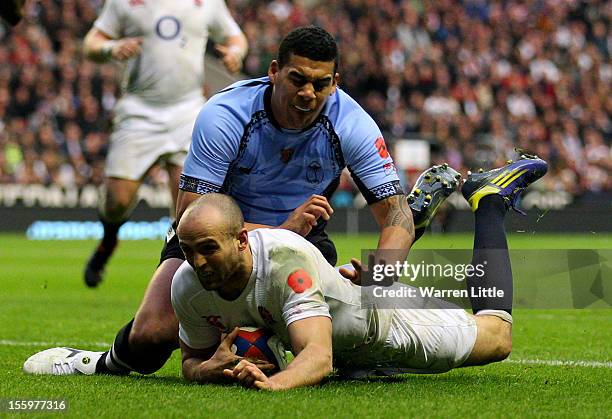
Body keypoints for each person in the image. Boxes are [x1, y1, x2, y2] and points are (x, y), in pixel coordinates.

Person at [22, 26, 459, 377]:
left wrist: (382, 274)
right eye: (298, 79)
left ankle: (332, 354)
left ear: (335, 82)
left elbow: (396, 213)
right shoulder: (226, 115)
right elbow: (189, 214)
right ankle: (93, 363)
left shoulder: (352, 123)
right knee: (153, 335)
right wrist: (280, 230)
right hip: (215, 239)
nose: (308, 93)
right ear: (273, 71)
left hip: (300, 247)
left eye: (321, 84)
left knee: (340, 343)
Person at [173, 154, 547, 390]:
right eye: (189, 252)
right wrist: (208, 369)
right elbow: (191, 360)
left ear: (241, 239)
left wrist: (273, 384)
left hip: (381, 325)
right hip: (338, 308)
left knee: (497, 337)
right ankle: (410, 223)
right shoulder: (187, 284)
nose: (199, 262)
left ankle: (490, 199)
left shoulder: (286, 262)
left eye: (209, 249)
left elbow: (318, 356)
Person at [82, 0, 248, 287]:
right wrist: (111, 48)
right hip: (138, 111)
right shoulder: (124, 2)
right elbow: (91, 43)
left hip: (187, 113)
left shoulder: (206, 3)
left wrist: (235, 53)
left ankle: (173, 281)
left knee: (187, 209)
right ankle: (108, 242)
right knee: (116, 201)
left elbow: (235, 37)